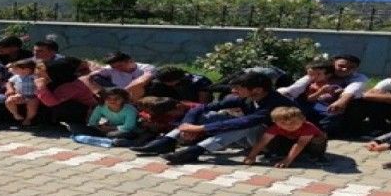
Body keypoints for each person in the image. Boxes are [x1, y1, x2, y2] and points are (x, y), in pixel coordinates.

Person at [136, 72, 296, 164]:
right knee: (210, 115)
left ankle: (195, 151)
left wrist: (200, 128)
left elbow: (247, 121)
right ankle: (167, 142)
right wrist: (187, 125)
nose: (233, 91)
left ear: (258, 90)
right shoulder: (246, 97)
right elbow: (201, 107)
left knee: (246, 124)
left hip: (275, 144)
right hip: (250, 139)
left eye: (238, 88)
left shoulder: (276, 103)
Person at [278, 54, 368, 137]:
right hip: (313, 103)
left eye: (351, 67)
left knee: (351, 104)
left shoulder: (358, 78)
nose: (345, 69)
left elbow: (353, 89)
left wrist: (341, 100)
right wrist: (286, 93)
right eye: (341, 66)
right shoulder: (319, 73)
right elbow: (298, 87)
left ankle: (321, 132)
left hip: (333, 107)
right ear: (333, 64)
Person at [244, 106, 327, 168]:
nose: (289, 125)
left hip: (308, 145)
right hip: (291, 142)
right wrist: (252, 156)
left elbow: (300, 144)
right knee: (268, 137)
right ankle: (280, 153)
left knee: (318, 139)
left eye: (294, 122)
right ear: (275, 122)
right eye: (283, 123)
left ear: (303, 120)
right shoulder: (275, 127)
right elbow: (263, 141)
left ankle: (317, 156)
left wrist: (287, 160)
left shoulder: (308, 127)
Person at [35, 57, 98, 126]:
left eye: (44, 75)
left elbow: (51, 102)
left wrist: (41, 87)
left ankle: (78, 123)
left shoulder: (70, 86)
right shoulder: (60, 80)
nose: (38, 77)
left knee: (58, 105)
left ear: (55, 74)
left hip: (85, 110)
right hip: (74, 105)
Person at [69, 87, 139, 141]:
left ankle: (114, 139)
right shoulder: (101, 107)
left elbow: (129, 126)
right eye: (108, 98)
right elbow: (92, 122)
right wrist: (99, 128)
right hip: (107, 129)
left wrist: (110, 128)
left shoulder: (130, 110)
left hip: (127, 130)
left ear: (123, 99)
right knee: (76, 127)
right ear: (104, 99)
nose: (112, 101)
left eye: (117, 98)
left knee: (113, 135)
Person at [82, 51, 157, 100]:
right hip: (117, 94)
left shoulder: (147, 68)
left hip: (139, 95)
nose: (117, 69)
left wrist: (122, 93)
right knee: (95, 78)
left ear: (130, 61)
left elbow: (142, 80)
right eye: (114, 67)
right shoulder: (110, 69)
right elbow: (90, 76)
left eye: (120, 65)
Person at [144, 66, 213, 103]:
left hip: (196, 105)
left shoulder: (200, 82)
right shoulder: (175, 81)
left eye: (163, 81)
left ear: (172, 81)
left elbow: (203, 104)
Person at [5, 59, 39, 126]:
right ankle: (15, 114)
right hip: (20, 95)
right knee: (9, 101)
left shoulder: (34, 76)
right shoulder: (17, 76)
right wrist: (10, 89)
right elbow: (9, 82)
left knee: (32, 105)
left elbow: (39, 83)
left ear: (26, 70)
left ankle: (28, 118)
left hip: (33, 96)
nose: (13, 70)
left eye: (16, 69)